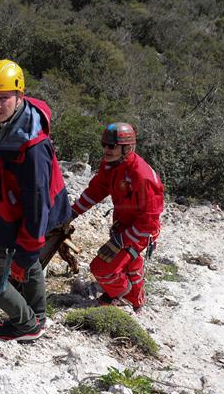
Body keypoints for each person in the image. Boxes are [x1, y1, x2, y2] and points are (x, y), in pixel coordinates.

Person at [0, 59, 72, 341]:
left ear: (20, 95)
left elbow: (37, 203)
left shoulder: (31, 145)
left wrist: (28, 250)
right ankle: (37, 318)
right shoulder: (2, 121)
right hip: (8, 208)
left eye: (4, 98)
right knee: (30, 264)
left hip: (11, 215)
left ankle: (26, 324)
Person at [67, 122, 163, 312]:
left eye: (111, 146)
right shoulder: (111, 165)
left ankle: (119, 292)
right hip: (123, 225)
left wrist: (123, 240)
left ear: (127, 148)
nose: (106, 149)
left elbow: (149, 220)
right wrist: (73, 212)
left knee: (101, 268)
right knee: (131, 266)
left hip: (140, 231)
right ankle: (136, 303)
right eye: (104, 145)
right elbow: (97, 190)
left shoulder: (141, 176)